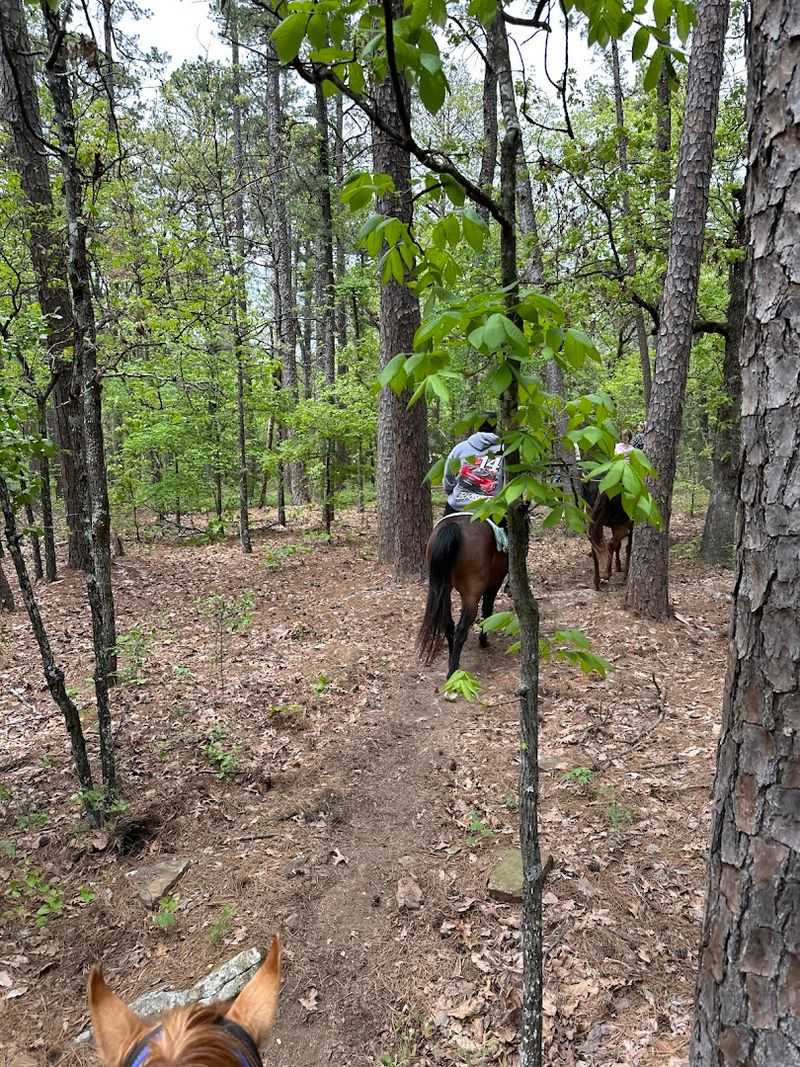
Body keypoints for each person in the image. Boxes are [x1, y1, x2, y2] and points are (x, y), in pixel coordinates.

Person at [442, 415, 503, 515]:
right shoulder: (506, 450)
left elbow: (448, 478)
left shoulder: (460, 448)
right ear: (495, 426)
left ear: (477, 425)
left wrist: (451, 491)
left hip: (458, 504)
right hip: (492, 507)